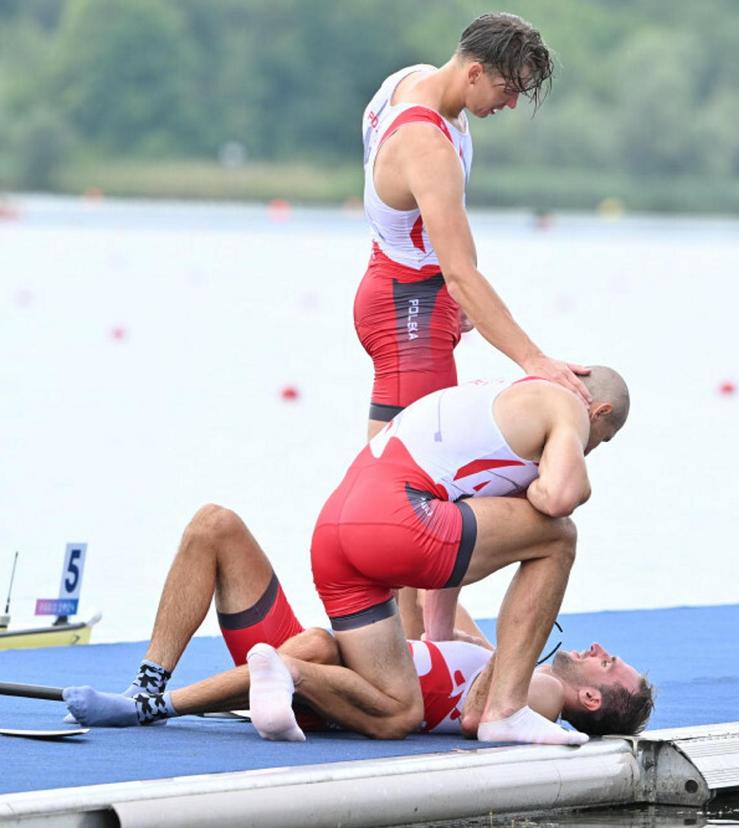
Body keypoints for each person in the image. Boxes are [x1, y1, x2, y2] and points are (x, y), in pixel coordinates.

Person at [63, 507, 654, 740]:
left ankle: (154, 706)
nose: (600, 649)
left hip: (346, 691)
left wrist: (528, 626)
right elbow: (428, 584)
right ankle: (151, 680)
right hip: (329, 658)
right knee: (213, 526)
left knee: (317, 644)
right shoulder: (488, 651)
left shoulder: (543, 693)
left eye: (608, 664)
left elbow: (480, 713)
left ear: (590, 700)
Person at [307, 366, 629, 745]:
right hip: (395, 519)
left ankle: (280, 674)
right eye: (602, 441)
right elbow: (562, 497)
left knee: (396, 709)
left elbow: (461, 512)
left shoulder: (507, 405)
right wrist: (542, 492)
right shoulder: (566, 405)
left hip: (332, 533)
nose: (590, 450)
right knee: (559, 537)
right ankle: (505, 712)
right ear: (599, 412)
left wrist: (441, 636)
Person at [357, 12, 591, 441]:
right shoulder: (426, 144)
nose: (513, 103)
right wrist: (534, 361)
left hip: (410, 289)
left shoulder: (411, 79)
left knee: (409, 474)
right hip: (409, 307)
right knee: (403, 480)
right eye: (509, 89)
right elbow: (460, 273)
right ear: (475, 72)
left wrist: (457, 291)